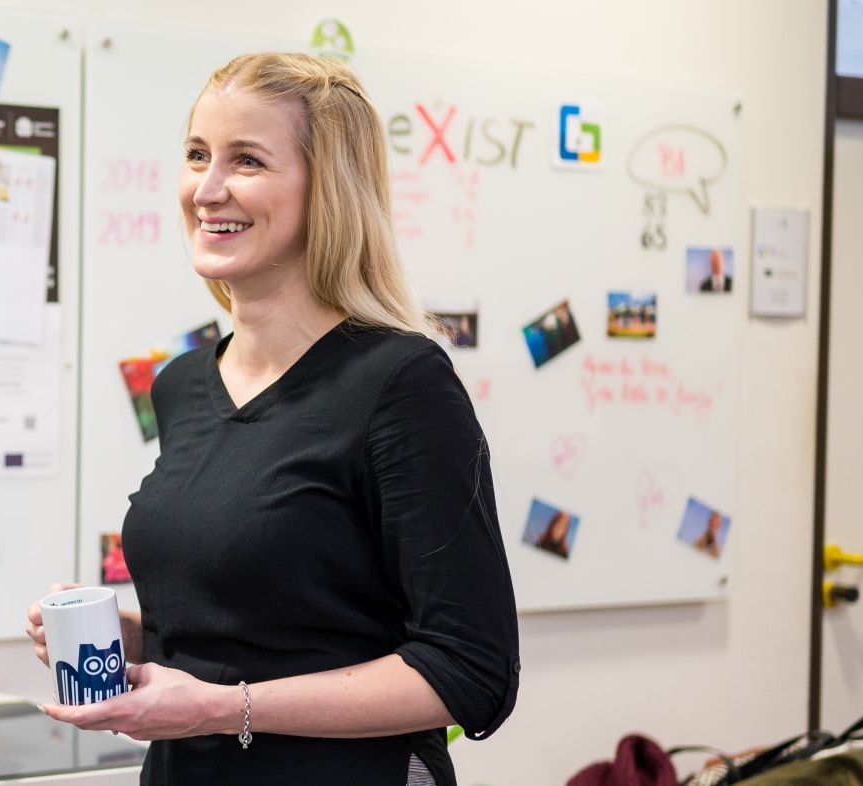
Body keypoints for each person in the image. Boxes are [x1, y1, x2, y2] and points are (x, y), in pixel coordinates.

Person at [25, 53, 518, 785]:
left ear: (329, 193)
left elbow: (470, 669)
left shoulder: (401, 383)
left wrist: (223, 708)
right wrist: (121, 640)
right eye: (197, 155)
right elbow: (259, 625)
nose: (207, 188)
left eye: (247, 160)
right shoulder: (184, 385)